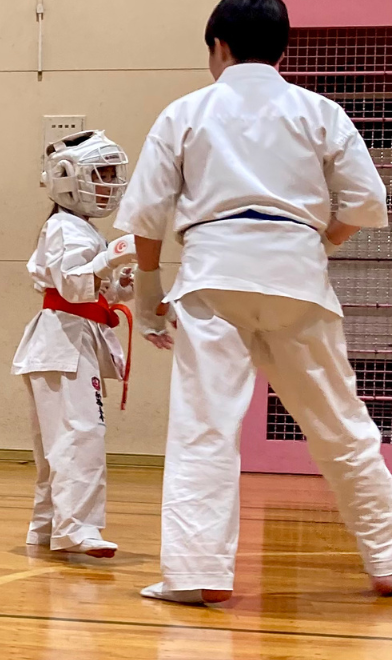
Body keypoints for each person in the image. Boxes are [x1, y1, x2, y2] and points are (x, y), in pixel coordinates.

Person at [117, 0, 392, 604]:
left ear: (217, 45)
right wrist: (318, 238)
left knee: (205, 430)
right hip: (298, 278)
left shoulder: (187, 112)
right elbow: (370, 206)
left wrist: (148, 293)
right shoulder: (319, 111)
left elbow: (147, 214)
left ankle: (197, 575)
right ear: (284, 49)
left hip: (213, 278)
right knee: (343, 427)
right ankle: (389, 555)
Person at [12, 130, 139, 558]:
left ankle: (46, 527)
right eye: (99, 175)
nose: (107, 185)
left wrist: (117, 277)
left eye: (110, 175)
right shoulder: (65, 226)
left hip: (65, 340)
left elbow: (95, 288)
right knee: (80, 434)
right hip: (63, 340)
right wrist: (108, 261)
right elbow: (72, 285)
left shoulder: (77, 227)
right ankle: (76, 528)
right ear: (68, 179)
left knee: (57, 443)